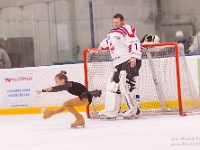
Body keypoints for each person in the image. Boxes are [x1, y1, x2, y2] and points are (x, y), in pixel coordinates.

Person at [97, 13, 142, 119]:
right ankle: (112, 110)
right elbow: (108, 40)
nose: (115, 24)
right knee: (114, 85)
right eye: (114, 22)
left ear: (122, 21)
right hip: (118, 63)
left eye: (117, 22)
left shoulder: (126, 29)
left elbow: (134, 42)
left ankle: (133, 109)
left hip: (127, 60)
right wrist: (101, 46)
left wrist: (133, 56)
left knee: (125, 85)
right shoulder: (112, 31)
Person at [36, 70, 102, 128]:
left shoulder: (69, 84)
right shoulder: (68, 85)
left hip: (85, 99)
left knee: (66, 104)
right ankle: (50, 113)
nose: (56, 83)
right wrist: (47, 90)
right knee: (64, 106)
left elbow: (60, 88)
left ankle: (80, 119)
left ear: (62, 81)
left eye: (57, 81)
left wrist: (47, 89)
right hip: (84, 98)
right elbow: (60, 87)